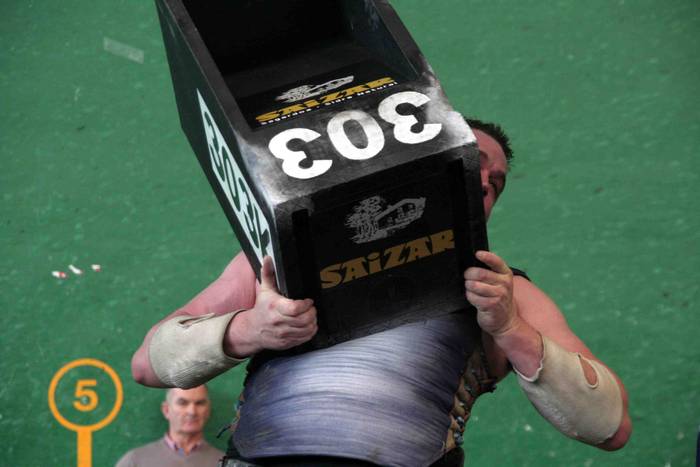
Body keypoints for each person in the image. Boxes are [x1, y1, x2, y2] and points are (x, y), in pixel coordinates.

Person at [131, 119, 632, 466]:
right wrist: (249, 330)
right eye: (471, 163)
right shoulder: (283, 262)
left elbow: (610, 426)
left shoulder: (505, 293)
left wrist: (510, 329)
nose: (484, 182)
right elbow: (147, 364)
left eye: (496, 183)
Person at [115, 385, 224, 467]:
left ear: (208, 410)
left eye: (199, 403)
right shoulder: (135, 461)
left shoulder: (225, 463)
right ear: (166, 410)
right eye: (183, 403)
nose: (192, 411)